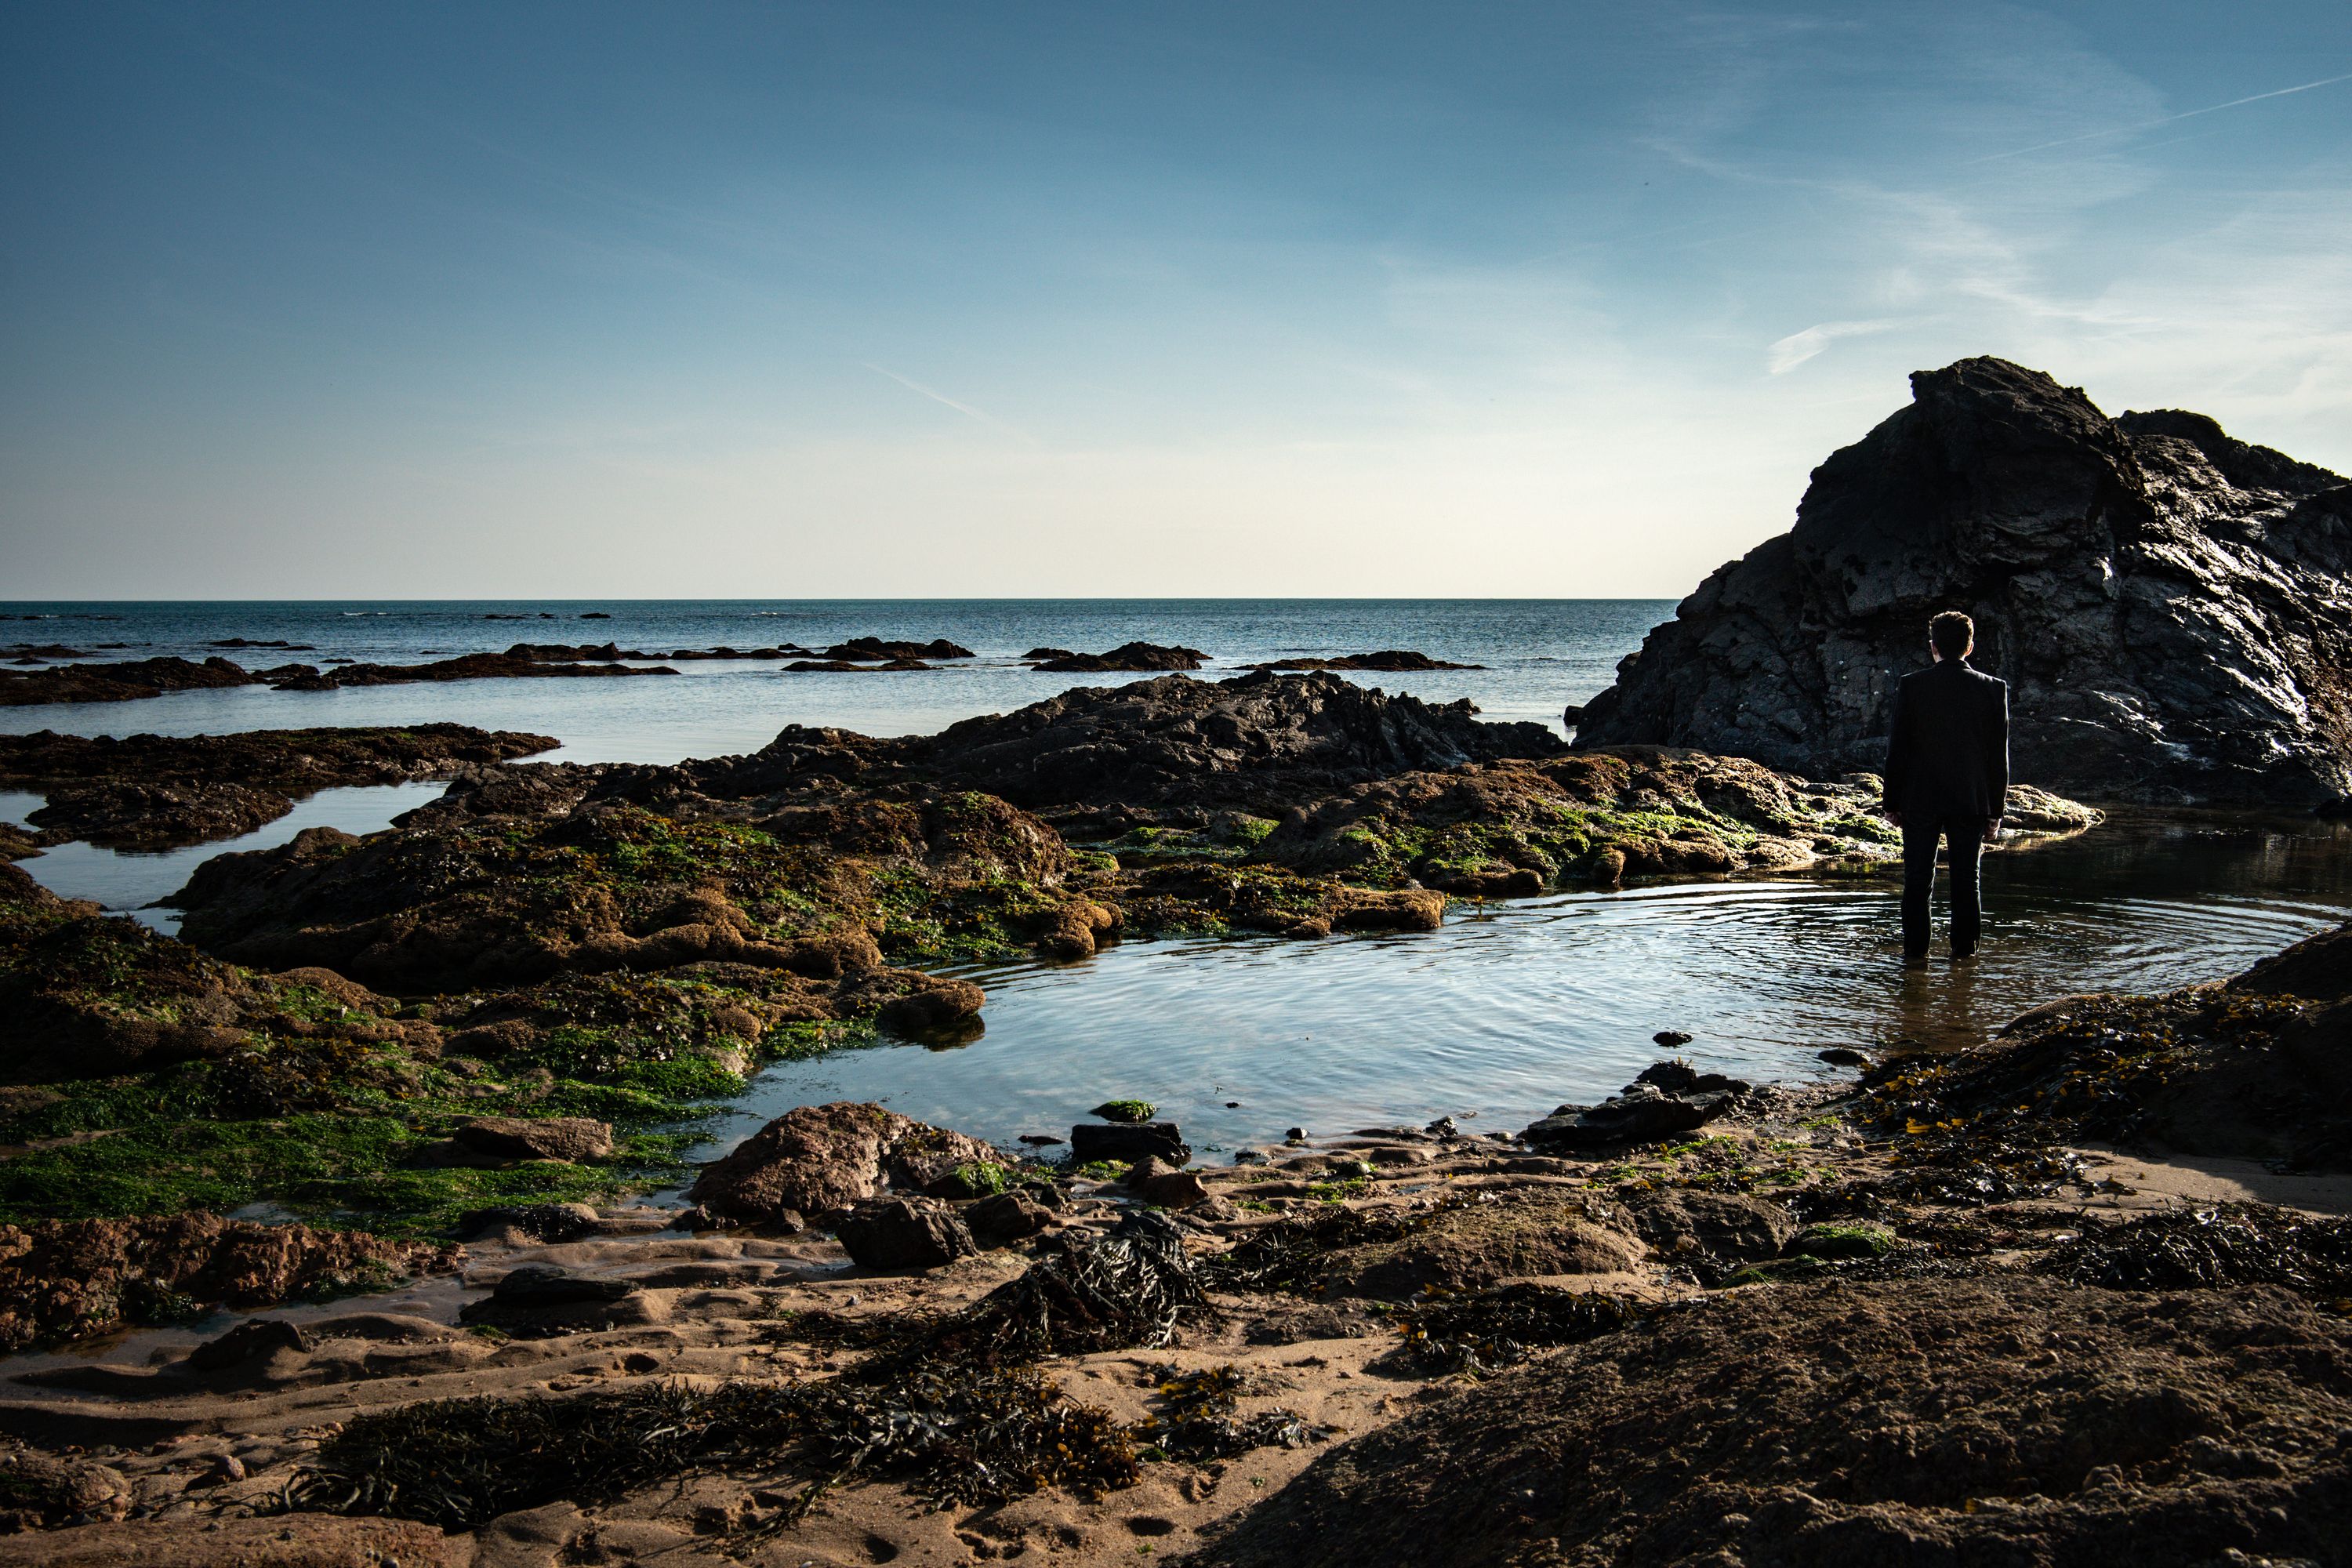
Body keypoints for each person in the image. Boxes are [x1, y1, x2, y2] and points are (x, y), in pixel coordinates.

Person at [1881, 611, 2009, 960]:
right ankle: (1964, 961)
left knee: (1918, 880)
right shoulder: (1994, 689)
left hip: (1920, 798)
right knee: (1968, 882)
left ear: (1933, 646)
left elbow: (1898, 751)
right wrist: (1995, 811)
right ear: (1970, 646)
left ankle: (1915, 959)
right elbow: (1998, 758)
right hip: (1970, 799)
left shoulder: (1912, 684)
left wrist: (1891, 802)